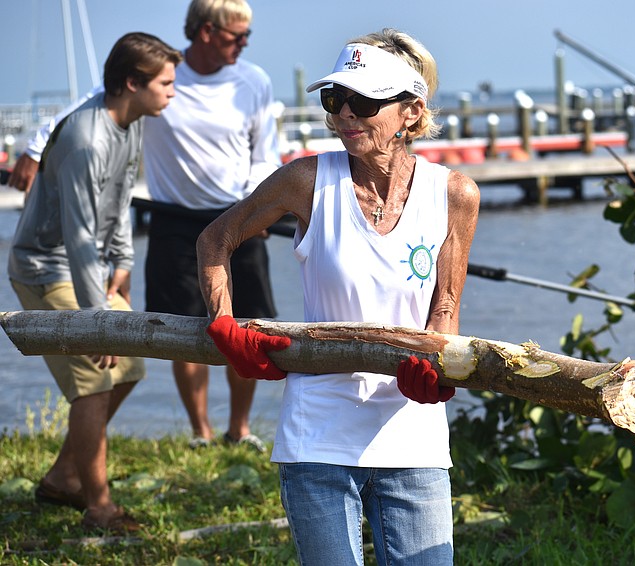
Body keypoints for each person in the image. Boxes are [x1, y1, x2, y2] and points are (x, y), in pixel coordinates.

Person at [197, 29, 480, 564]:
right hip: (317, 431)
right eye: (335, 100)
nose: (345, 114)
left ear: (411, 113)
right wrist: (224, 323)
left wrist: (440, 375)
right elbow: (216, 239)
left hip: (411, 431)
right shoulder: (306, 181)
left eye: (364, 102)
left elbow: (444, 309)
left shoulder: (454, 195)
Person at [7, 32, 181, 532]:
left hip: (83, 270)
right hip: (45, 267)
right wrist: (97, 321)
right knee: (95, 384)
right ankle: (98, 508)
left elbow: (123, 195)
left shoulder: (130, 121)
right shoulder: (86, 141)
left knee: (129, 366)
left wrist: (123, 260)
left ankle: (65, 475)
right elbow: (80, 237)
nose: (173, 92)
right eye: (165, 83)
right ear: (132, 83)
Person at [142, 0, 281, 451]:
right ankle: (200, 432)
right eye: (235, 35)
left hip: (237, 219)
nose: (244, 43)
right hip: (174, 220)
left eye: (248, 36)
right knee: (183, 328)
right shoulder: (162, 75)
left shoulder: (253, 80)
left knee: (247, 325)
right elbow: (102, 102)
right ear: (205, 32)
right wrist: (33, 145)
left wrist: (260, 209)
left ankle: (238, 430)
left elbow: (265, 154)